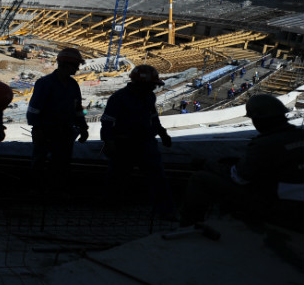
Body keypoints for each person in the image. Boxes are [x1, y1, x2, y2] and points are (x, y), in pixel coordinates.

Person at [179, 94, 303, 227]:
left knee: (200, 178)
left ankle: (189, 226)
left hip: (279, 207)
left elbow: (239, 177)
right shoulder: (299, 135)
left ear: (260, 120)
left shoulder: (264, 144)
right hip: (292, 202)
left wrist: (207, 164)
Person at [100, 65, 176, 219]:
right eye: (152, 85)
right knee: (117, 177)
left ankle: (164, 210)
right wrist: (109, 142)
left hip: (145, 143)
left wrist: (162, 133)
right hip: (123, 145)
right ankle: (110, 208)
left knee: (157, 177)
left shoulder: (149, 96)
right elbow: (107, 121)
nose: (154, 88)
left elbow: (153, 117)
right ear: (141, 83)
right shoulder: (118, 98)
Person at [26, 48, 89, 197]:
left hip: (65, 131)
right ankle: (36, 191)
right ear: (67, 65)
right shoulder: (44, 83)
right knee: (39, 162)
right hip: (45, 131)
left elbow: (78, 108)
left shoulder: (73, 85)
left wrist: (83, 127)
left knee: (62, 163)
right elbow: (34, 109)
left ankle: (57, 191)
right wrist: (38, 129)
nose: (78, 69)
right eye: (76, 65)